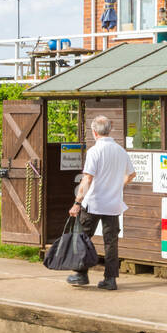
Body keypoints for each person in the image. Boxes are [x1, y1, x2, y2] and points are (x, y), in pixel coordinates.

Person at [67, 115, 135, 290]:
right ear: (110, 129)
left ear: (94, 132)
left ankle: (81, 275)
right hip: (113, 204)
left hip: (94, 203)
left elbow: (87, 179)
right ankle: (110, 279)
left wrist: (77, 202)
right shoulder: (121, 151)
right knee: (111, 242)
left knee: (83, 238)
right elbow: (132, 175)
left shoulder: (94, 152)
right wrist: (117, 186)